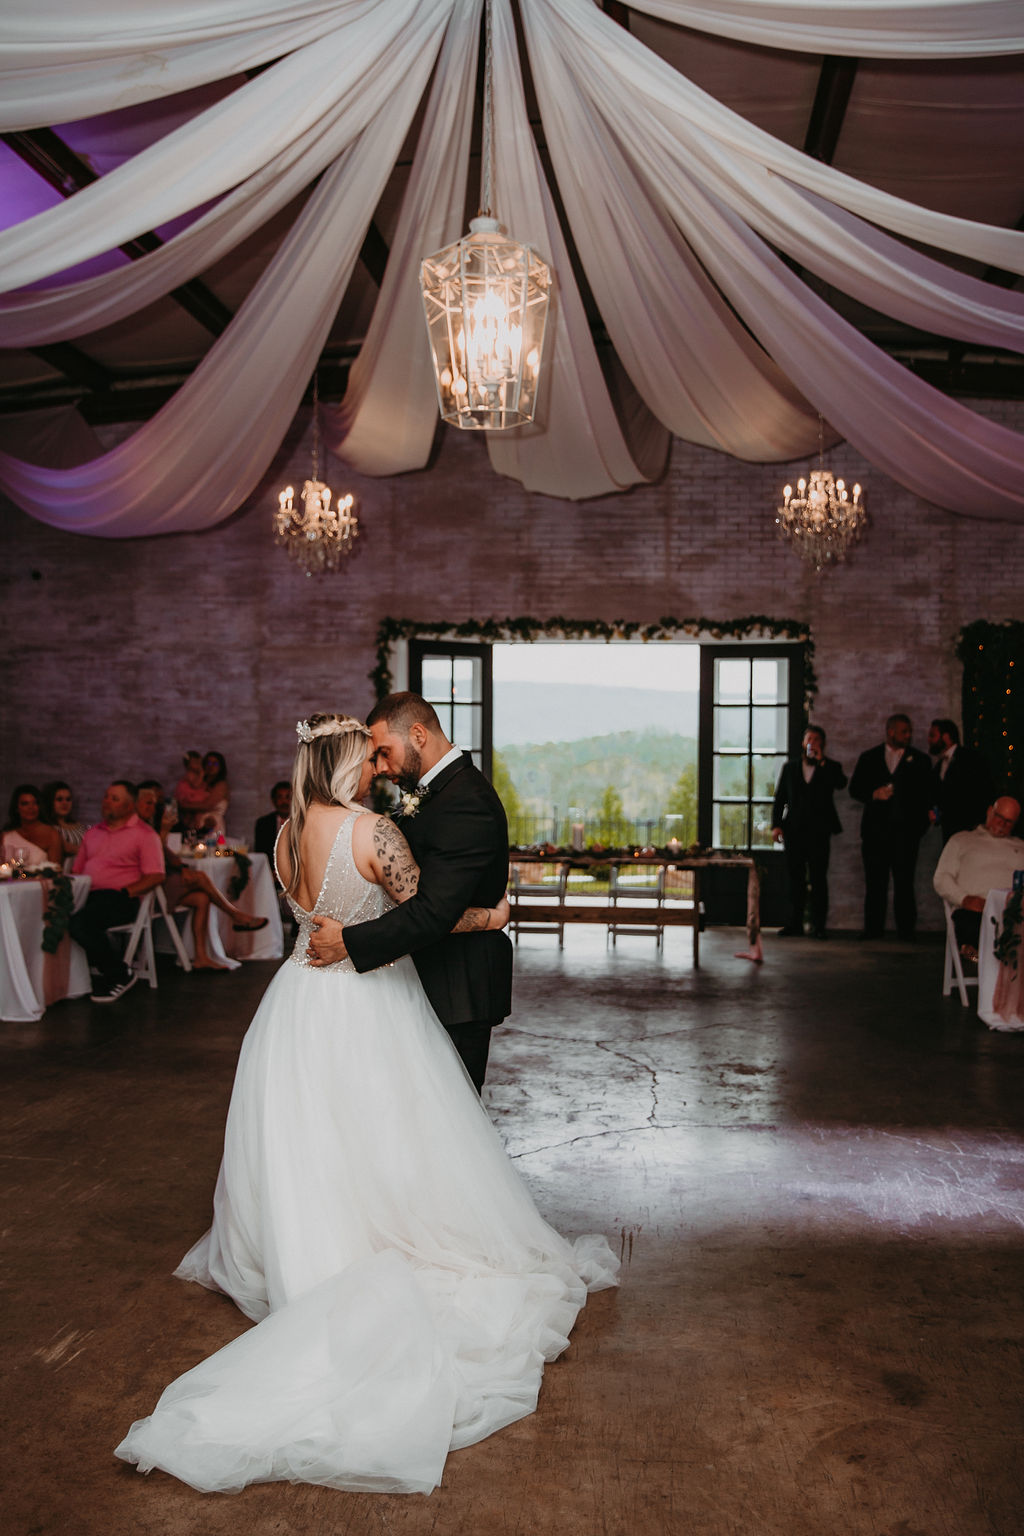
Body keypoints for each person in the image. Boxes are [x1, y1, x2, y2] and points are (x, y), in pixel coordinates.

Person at [115, 713, 617, 1495]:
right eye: (368, 757)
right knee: (390, 1127)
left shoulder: (283, 839)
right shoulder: (374, 832)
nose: (378, 769)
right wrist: (494, 915)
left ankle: (299, 1245)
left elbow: (319, 915)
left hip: (296, 1004)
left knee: (309, 1132)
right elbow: (424, 915)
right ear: (346, 764)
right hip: (368, 999)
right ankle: (386, 1237)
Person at [307, 692, 513, 1094]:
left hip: (457, 989)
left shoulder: (466, 802)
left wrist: (347, 942)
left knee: (453, 1116)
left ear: (418, 734)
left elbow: (433, 910)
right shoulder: (435, 792)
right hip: (424, 982)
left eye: (384, 752)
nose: (381, 768)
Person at [137, 783, 267, 971]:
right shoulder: (140, 830)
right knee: (200, 877)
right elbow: (158, 857)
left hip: (162, 884)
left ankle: (201, 956)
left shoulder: (150, 826)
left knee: (202, 898)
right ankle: (235, 915)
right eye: (148, 803)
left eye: (154, 803)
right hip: (150, 888)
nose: (153, 808)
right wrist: (165, 834)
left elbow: (169, 856)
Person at [70, 781, 165, 1004]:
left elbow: (156, 875)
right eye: (106, 796)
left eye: (114, 798)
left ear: (129, 805)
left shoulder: (144, 834)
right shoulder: (93, 833)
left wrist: (126, 891)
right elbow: (76, 870)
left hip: (121, 897)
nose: (107, 802)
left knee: (80, 924)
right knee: (53, 917)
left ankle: (120, 974)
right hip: (88, 894)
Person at [849, 713, 933, 940]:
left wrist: (920, 827)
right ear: (890, 732)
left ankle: (906, 932)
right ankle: (872, 930)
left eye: (909, 732)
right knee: (875, 884)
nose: (908, 735)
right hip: (875, 834)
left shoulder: (921, 760)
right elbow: (854, 788)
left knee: (905, 884)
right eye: (904, 731)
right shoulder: (869, 757)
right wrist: (873, 794)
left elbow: (928, 795)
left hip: (906, 835)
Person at [771, 725, 847, 939]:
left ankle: (818, 926)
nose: (812, 742)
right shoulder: (790, 767)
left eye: (816, 738)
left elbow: (841, 784)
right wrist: (776, 825)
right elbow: (780, 799)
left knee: (818, 879)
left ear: (822, 743)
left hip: (819, 832)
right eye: (809, 738)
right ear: (803, 742)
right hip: (794, 831)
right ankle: (795, 923)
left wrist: (822, 762)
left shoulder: (830, 766)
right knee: (795, 879)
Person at [933, 795, 1024, 961]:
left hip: (1013, 913)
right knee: (971, 929)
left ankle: (999, 969)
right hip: (975, 911)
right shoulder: (962, 840)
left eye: (1009, 822)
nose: (1002, 824)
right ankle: (977, 959)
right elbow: (941, 878)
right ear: (990, 812)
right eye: (999, 817)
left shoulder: (1021, 846)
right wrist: (964, 899)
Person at [927, 718, 994, 844]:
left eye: (933, 735)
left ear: (946, 736)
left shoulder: (971, 759)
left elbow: (983, 790)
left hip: (969, 828)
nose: (929, 740)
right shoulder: (938, 766)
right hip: (948, 830)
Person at [2, 784, 64, 866]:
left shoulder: (52, 834)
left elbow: (55, 870)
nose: (31, 807)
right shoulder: (6, 835)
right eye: (25, 803)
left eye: (35, 803)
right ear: (16, 808)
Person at [41, 780, 86, 859]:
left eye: (68, 799)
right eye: (59, 799)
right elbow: (66, 848)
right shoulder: (49, 828)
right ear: (50, 801)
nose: (65, 803)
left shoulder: (80, 827)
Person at [254, 780, 291, 864]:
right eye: (280, 797)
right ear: (273, 800)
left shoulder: (302, 822)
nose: (284, 802)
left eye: (288, 797)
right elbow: (260, 854)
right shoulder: (263, 824)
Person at [200, 751, 230, 837]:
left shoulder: (221, 785)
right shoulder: (200, 784)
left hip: (215, 824)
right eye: (209, 763)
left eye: (215, 764)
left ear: (221, 767)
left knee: (215, 849)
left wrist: (185, 805)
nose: (211, 766)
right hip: (198, 824)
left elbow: (207, 805)